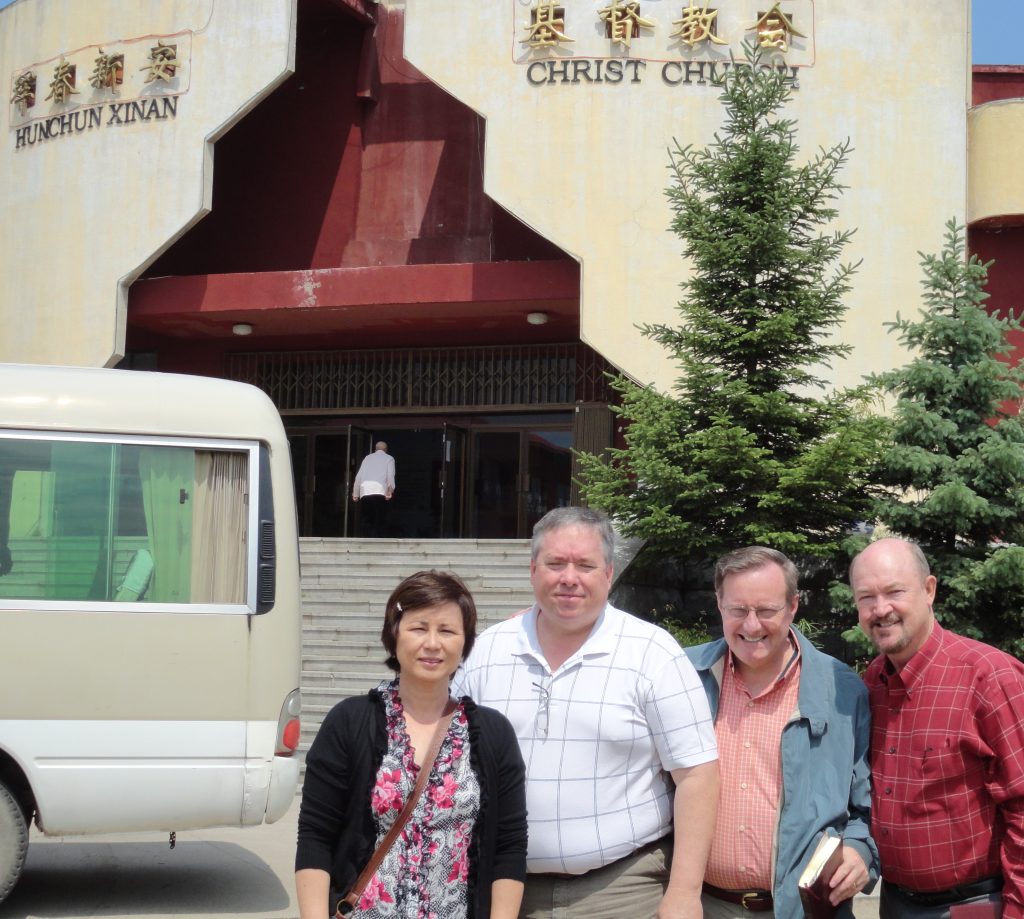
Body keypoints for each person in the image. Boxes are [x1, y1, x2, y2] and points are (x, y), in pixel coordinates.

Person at [452, 506, 719, 919]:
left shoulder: (652, 652)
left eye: (585, 565)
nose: (569, 578)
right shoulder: (487, 651)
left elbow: (697, 775)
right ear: (533, 569)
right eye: (555, 563)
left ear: (609, 574)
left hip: (623, 892)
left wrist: (684, 892)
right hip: (504, 893)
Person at [296, 570, 528, 919]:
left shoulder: (492, 734)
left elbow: (509, 845)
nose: (432, 643)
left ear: (464, 643)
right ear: (395, 633)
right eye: (419, 628)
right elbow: (316, 835)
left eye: (447, 630)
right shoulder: (349, 722)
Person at [686, 546, 878, 918]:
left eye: (767, 610)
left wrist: (860, 849)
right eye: (738, 610)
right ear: (719, 604)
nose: (751, 625)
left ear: (793, 606)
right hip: (704, 906)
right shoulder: (682, 677)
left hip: (804, 911)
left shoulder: (842, 690)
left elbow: (870, 803)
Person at [850, 538, 1024, 919]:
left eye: (894, 592)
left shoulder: (989, 677)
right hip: (894, 903)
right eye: (866, 597)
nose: (881, 609)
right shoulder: (872, 682)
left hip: (974, 906)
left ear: (929, 590)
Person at [352, 442, 395, 537]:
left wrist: (355, 493)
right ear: (386, 450)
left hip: (365, 491)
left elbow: (358, 476)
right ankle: (378, 539)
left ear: (375, 449)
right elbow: (390, 476)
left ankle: (365, 538)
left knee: (367, 517)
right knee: (380, 516)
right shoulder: (389, 458)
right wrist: (390, 491)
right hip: (380, 491)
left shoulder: (367, 458)